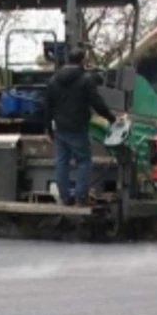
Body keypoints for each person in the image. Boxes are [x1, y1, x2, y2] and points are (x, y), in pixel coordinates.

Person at [44, 49, 118, 206]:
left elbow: (47, 107)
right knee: (84, 161)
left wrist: (48, 128)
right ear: (82, 61)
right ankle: (80, 197)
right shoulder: (86, 80)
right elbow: (97, 103)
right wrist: (111, 118)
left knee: (61, 162)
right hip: (78, 128)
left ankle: (64, 197)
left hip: (60, 128)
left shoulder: (53, 80)